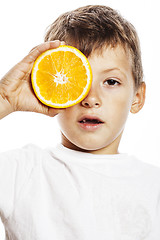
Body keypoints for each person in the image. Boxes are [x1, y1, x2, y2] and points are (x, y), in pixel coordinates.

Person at [0, 4, 159, 240]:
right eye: (74, 81)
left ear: (137, 98)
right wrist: (4, 99)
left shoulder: (153, 185)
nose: (91, 99)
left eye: (111, 82)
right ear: (50, 89)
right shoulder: (22, 172)